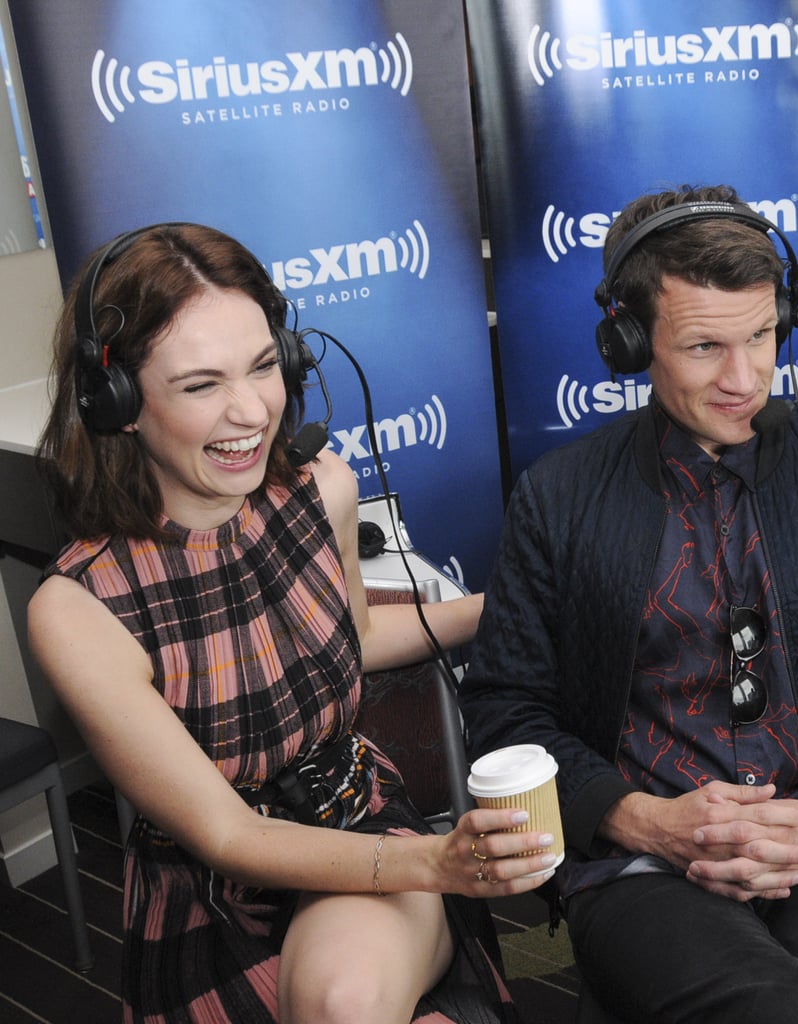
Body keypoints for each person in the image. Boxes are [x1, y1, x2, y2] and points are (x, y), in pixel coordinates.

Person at [458, 184, 798, 1024]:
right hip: (640, 865)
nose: (744, 379)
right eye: (703, 347)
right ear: (630, 343)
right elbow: (505, 706)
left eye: (762, 337)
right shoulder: (558, 499)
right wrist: (644, 821)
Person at [28, 222, 558, 1024]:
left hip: (353, 809)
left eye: (264, 365)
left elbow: (360, 637)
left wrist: (506, 607)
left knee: (343, 1000)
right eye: (200, 385)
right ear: (120, 405)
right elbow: (227, 834)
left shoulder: (322, 490)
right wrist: (438, 863)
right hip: (213, 882)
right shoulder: (78, 611)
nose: (252, 411)